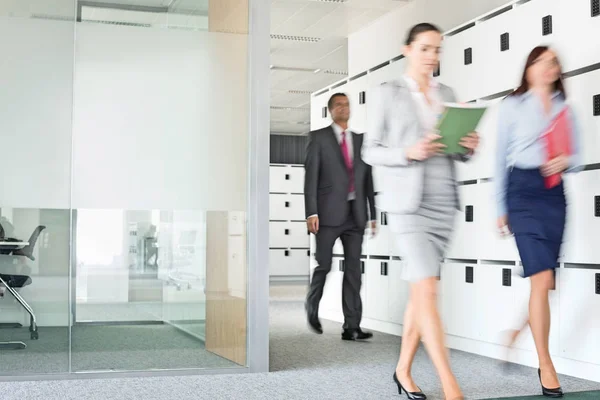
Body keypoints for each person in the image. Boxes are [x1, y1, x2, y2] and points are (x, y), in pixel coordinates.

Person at [363, 23, 480, 400]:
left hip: (443, 200)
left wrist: (468, 144)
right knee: (427, 289)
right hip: (408, 206)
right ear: (407, 49)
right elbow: (370, 150)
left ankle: (402, 370)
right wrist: (407, 152)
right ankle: (451, 387)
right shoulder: (387, 93)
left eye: (437, 50)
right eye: (425, 48)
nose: (432, 57)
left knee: (421, 291)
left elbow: (456, 151)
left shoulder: (447, 93)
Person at [495, 46, 582, 398]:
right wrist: (499, 205)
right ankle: (546, 365)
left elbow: (578, 156)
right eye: (542, 61)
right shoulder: (511, 106)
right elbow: (498, 158)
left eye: (554, 62)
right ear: (529, 68)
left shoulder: (565, 109)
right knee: (541, 278)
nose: (550, 67)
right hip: (522, 194)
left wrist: (565, 161)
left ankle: (515, 332)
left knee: (544, 285)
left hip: (554, 195)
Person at [304, 92, 377, 341]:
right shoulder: (319, 138)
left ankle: (352, 326)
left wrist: (372, 213)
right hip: (326, 215)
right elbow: (311, 177)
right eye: (338, 105)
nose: (344, 108)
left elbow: (367, 178)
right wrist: (311, 212)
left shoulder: (360, 139)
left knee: (354, 272)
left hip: (354, 216)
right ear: (330, 110)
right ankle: (312, 306)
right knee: (324, 265)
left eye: (346, 104)